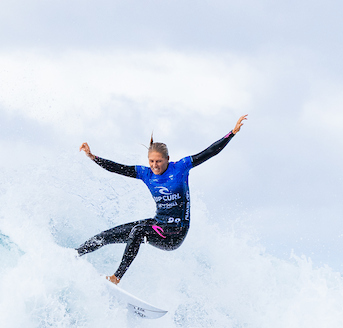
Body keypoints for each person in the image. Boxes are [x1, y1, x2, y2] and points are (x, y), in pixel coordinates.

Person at [78, 115, 249, 284]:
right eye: (151, 161)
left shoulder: (181, 167)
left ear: (167, 159)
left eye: (158, 161)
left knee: (137, 231)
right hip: (157, 225)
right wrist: (93, 157)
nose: (154, 165)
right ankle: (73, 255)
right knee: (106, 235)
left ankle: (116, 278)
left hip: (175, 233)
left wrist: (232, 133)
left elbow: (209, 152)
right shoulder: (145, 173)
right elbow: (117, 168)